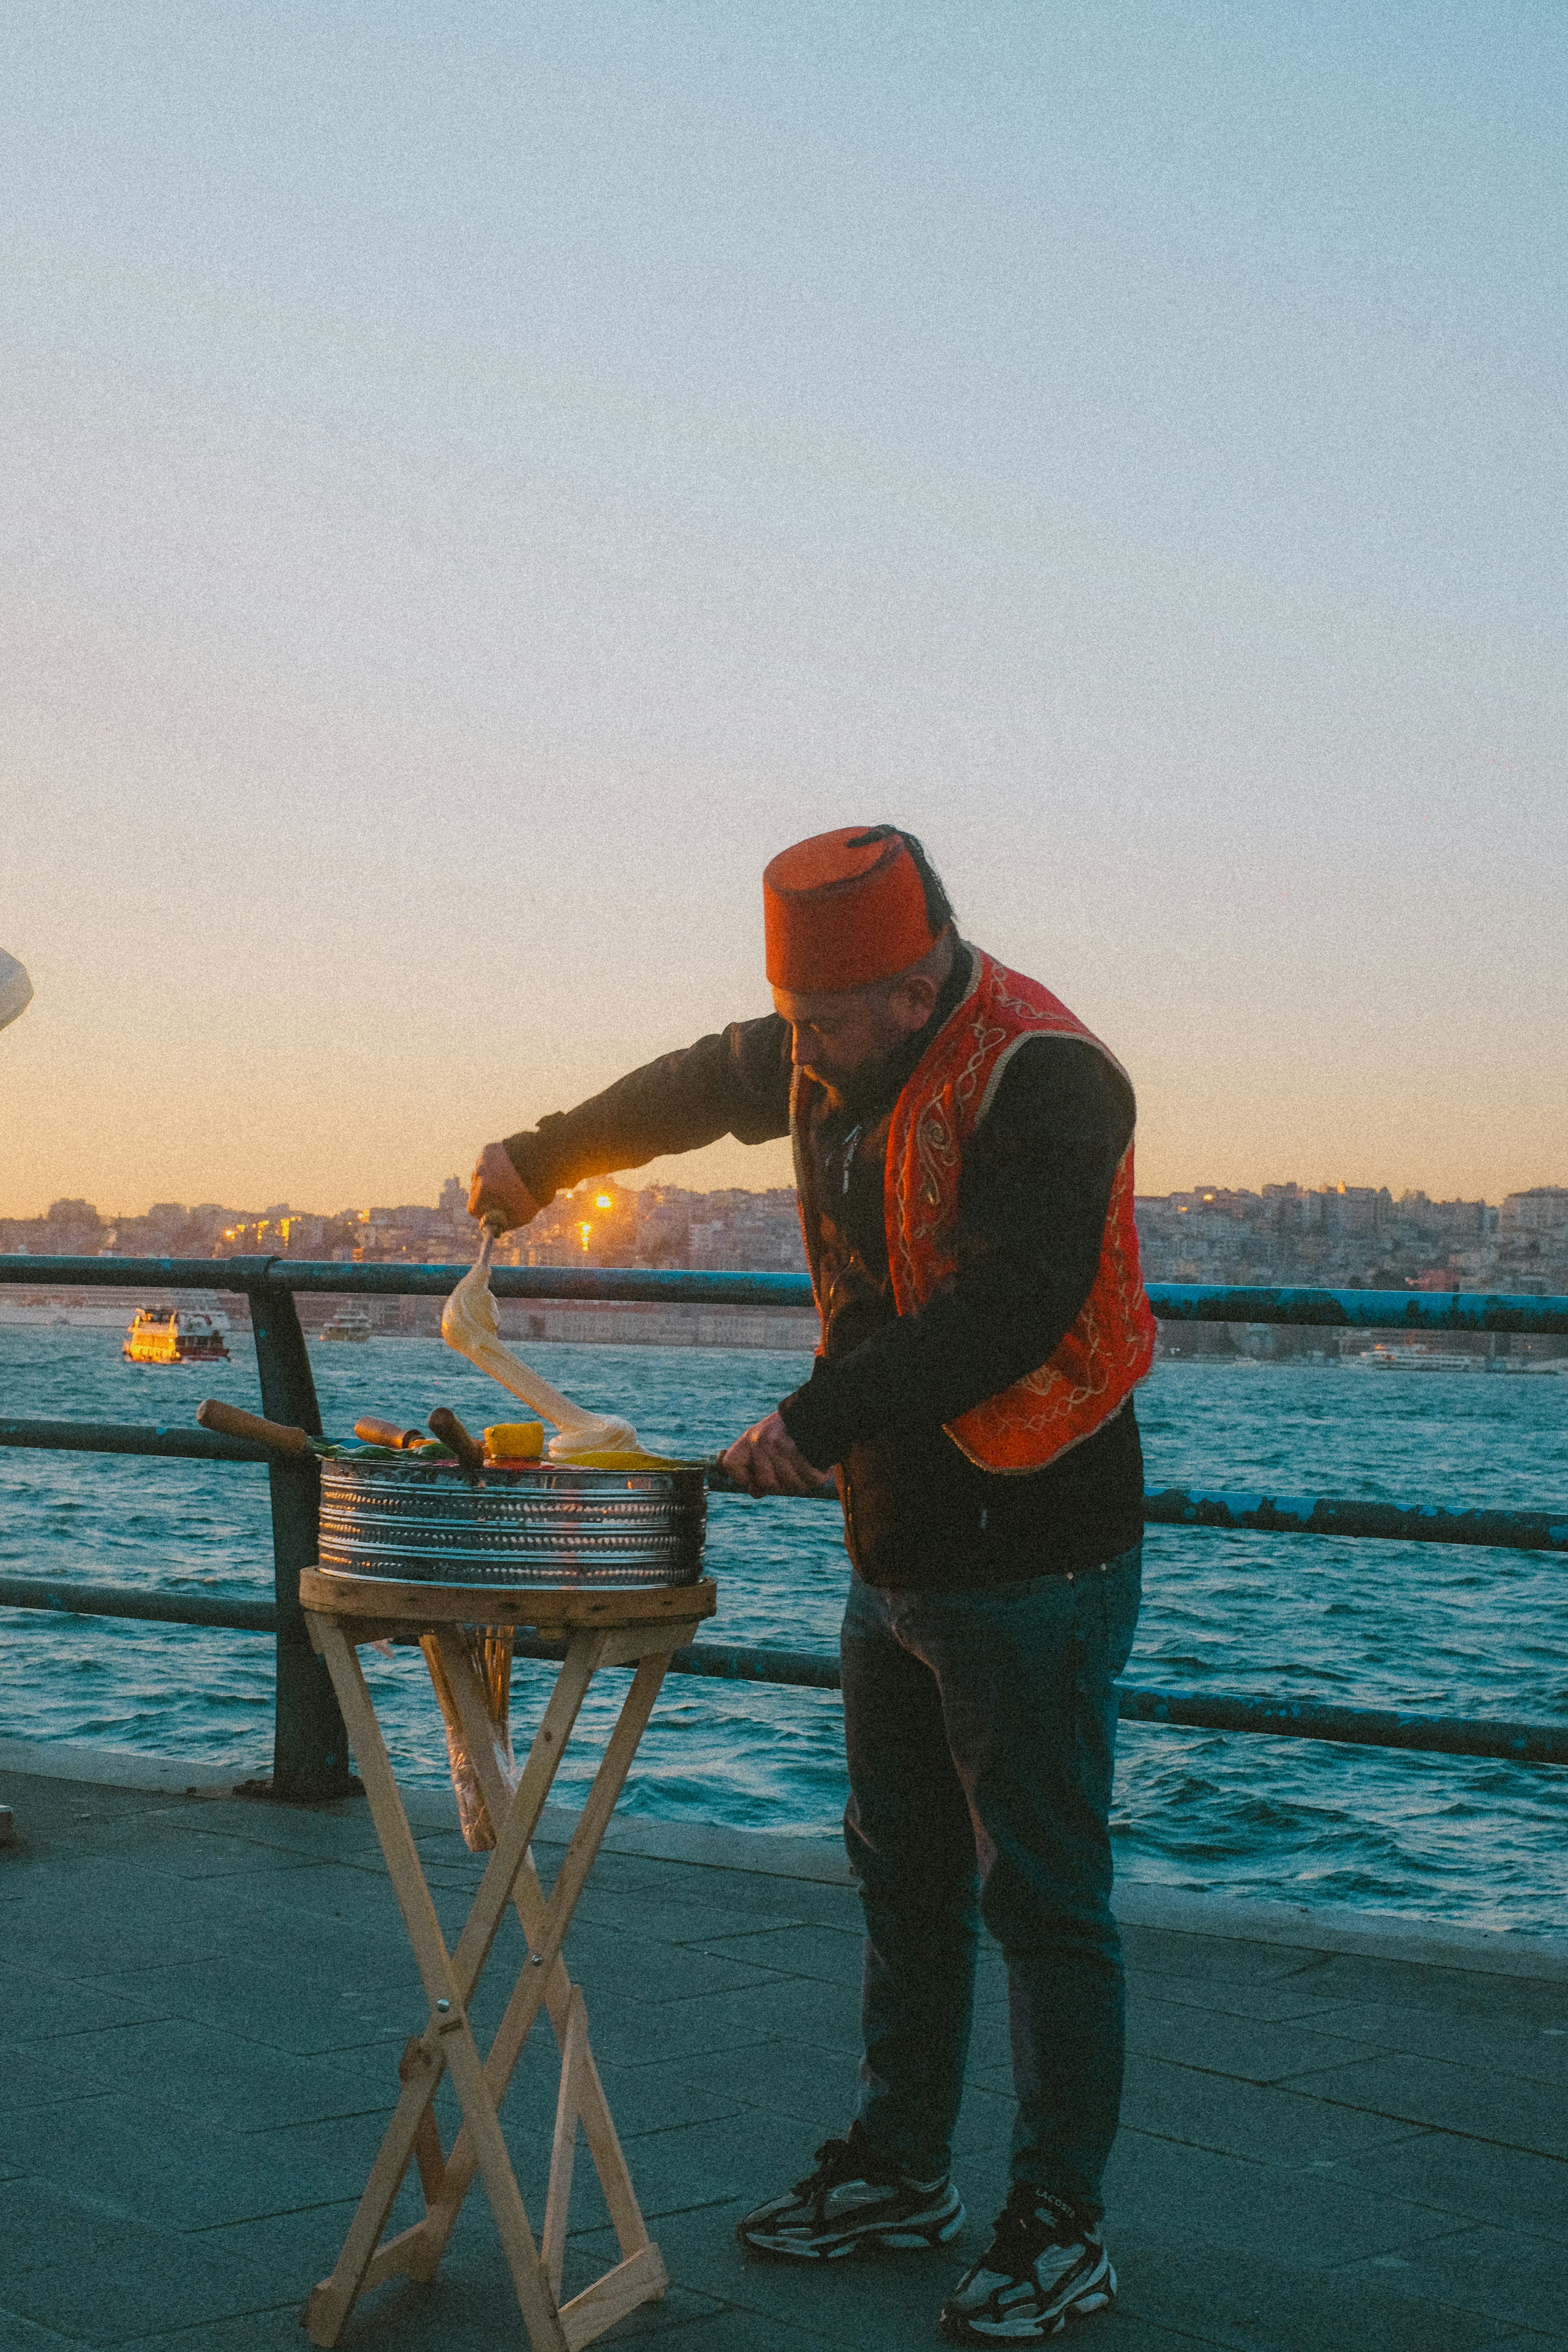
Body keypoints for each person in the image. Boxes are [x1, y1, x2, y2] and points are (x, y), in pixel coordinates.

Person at [468, 826, 1154, 2345]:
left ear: (920, 989)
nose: (809, 1058)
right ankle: (903, 2170)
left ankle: (1062, 2221)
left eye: (836, 1027)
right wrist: (543, 1153)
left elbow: (1016, 1307)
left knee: (1043, 1896)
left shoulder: (1050, 1075)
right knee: (902, 1874)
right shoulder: (811, 1039)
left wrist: (817, 1423)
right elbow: (690, 1084)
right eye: (799, 1025)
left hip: (1040, 1540)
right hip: (900, 1539)